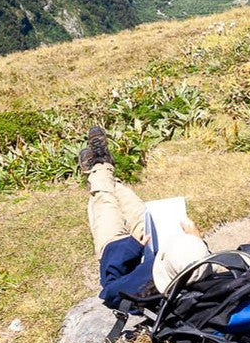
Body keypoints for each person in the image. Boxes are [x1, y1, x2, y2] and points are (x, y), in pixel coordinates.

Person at [80, 125, 210, 306]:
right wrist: (196, 241)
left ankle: (100, 166)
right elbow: (194, 263)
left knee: (105, 200)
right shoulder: (208, 279)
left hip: (117, 248)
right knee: (133, 203)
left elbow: (109, 291)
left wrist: (132, 248)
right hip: (153, 244)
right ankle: (103, 168)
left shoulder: (145, 286)